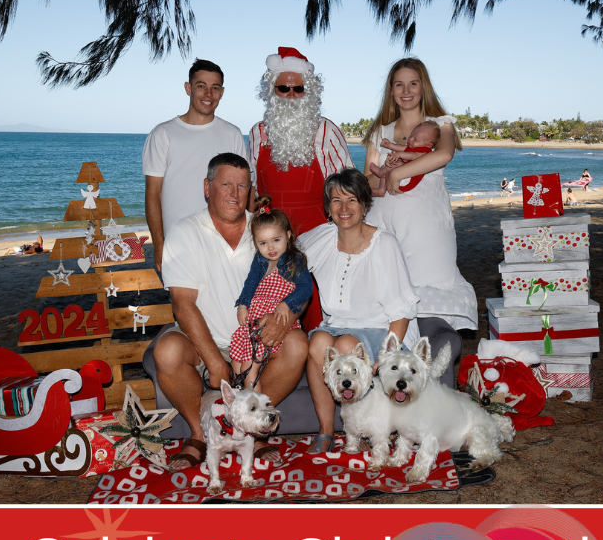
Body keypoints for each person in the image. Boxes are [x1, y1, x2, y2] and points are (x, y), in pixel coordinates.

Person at [157, 153, 309, 471]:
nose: (234, 193)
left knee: (297, 344)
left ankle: (254, 429)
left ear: (250, 191)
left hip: (259, 341)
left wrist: (288, 319)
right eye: (226, 183)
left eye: (242, 185)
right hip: (203, 342)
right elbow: (182, 304)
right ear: (207, 187)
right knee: (168, 351)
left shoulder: (267, 230)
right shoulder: (184, 232)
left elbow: (300, 283)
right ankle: (199, 437)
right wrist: (215, 360)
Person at [363, 59, 478, 376]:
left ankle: (438, 382)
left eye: (413, 83)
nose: (406, 90)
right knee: (388, 300)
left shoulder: (441, 125)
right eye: (398, 84)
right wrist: (385, 176)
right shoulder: (381, 132)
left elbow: (443, 155)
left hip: (427, 230)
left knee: (427, 302)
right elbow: (369, 181)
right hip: (384, 227)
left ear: (423, 86)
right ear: (391, 90)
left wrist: (399, 171)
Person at [298, 169, 420, 451]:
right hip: (335, 324)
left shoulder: (384, 244)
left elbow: (401, 313)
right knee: (317, 343)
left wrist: (385, 356)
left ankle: (366, 428)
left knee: (345, 346)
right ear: (328, 208)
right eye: (336, 200)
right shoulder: (320, 238)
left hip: (382, 328)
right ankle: (326, 430)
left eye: (352, 200)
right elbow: (283, 259)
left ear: (365, 205)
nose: (344, 208)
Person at [247, 47, 352, 329]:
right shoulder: (257, 132)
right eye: (283, 88)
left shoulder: (327, 131)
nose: (291, 95)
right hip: (271, 238)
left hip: (318, 235)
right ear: (272, 91)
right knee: (270, 305)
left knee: (319, 305)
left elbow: (347, 189)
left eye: (298, 89)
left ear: (310, 91)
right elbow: (252, 191)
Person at [143, 60, 246, 272]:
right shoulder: (163, 134)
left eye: (215, 88)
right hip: (178, 246)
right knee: (183, 306)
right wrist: (159, 244)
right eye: (201, 86)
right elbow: (153, 193)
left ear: (222, 92)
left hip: (225, 245)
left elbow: (244, 189)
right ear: (188, 88)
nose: (208, 94)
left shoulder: (232, 134)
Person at [229, 197, 313, 388]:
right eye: (263, 243)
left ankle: (254, 408)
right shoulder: (260, 260)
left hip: (275, 318)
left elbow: (306, 289)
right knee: (237, 366)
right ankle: (238, 402)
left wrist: (286, 303)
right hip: (254, 319)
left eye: (276, 240)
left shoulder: (295, 260)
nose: (271, 248)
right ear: (257, 244)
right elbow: (250, 283)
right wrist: (243, 304)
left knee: (250, 371)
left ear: (288, 235)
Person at [369, 120, 441, 195]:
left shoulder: (424, 152)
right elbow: (401, 147)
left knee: (397, 164)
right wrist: (389, 145)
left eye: (416, 139)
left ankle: (380, 172)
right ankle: (381, 190)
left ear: (428, 145)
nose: (410, 139)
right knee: (391, 164)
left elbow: (413, 156)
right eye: (411, 135)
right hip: (398, 178)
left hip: (409, 179)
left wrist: (399, 155)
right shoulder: (414, 146)